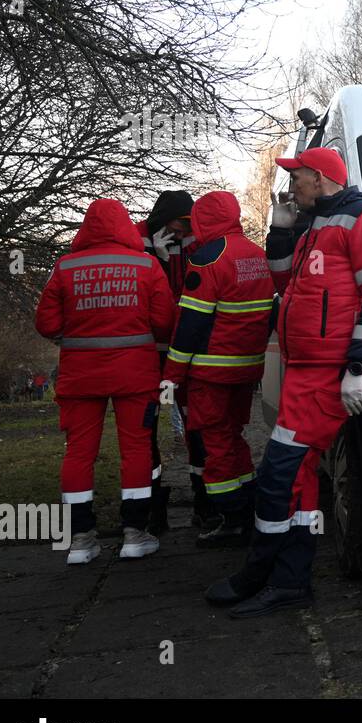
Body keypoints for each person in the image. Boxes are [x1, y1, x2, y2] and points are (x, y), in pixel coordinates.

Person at [205, 146, 362, 618]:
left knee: (278, 477)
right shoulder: (316, 222)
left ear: (321, 176)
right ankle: (289, 581)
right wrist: (279, 229)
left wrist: (357, 369)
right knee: (298, 479)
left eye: (298, 177)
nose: (292, 186)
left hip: (328, 373)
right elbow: (282, 280)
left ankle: (261, 572)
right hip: (304, 370)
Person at [34, 199, 176, 564]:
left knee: (79, 452)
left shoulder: (65, 266)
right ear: (125, 226)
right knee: (137, 450)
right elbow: (165, 322)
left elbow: (47, 324)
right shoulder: (145, 265)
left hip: (80, 376)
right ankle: (135, 534)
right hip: (136, 373)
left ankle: (81, 540)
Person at [163, 191, 275, 548]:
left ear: (202, 219)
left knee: (216, 444)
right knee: (234, 436)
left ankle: (231, 519)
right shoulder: (259, 255)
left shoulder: (208, 259)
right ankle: (248, 504)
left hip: (211, 371)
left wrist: (171, 375)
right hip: (247, 368)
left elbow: (191, 326)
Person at [135, 190, 205, 532]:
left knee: (195, 422)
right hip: (148, 351)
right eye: (180, 223)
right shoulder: (137, 242)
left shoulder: (192, 242)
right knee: (145, 426)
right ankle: (151, 508)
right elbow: (147, 296)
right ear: (164, 219)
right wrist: (159, 261)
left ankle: (202, 499)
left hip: (183, 349)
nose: (183, 230)